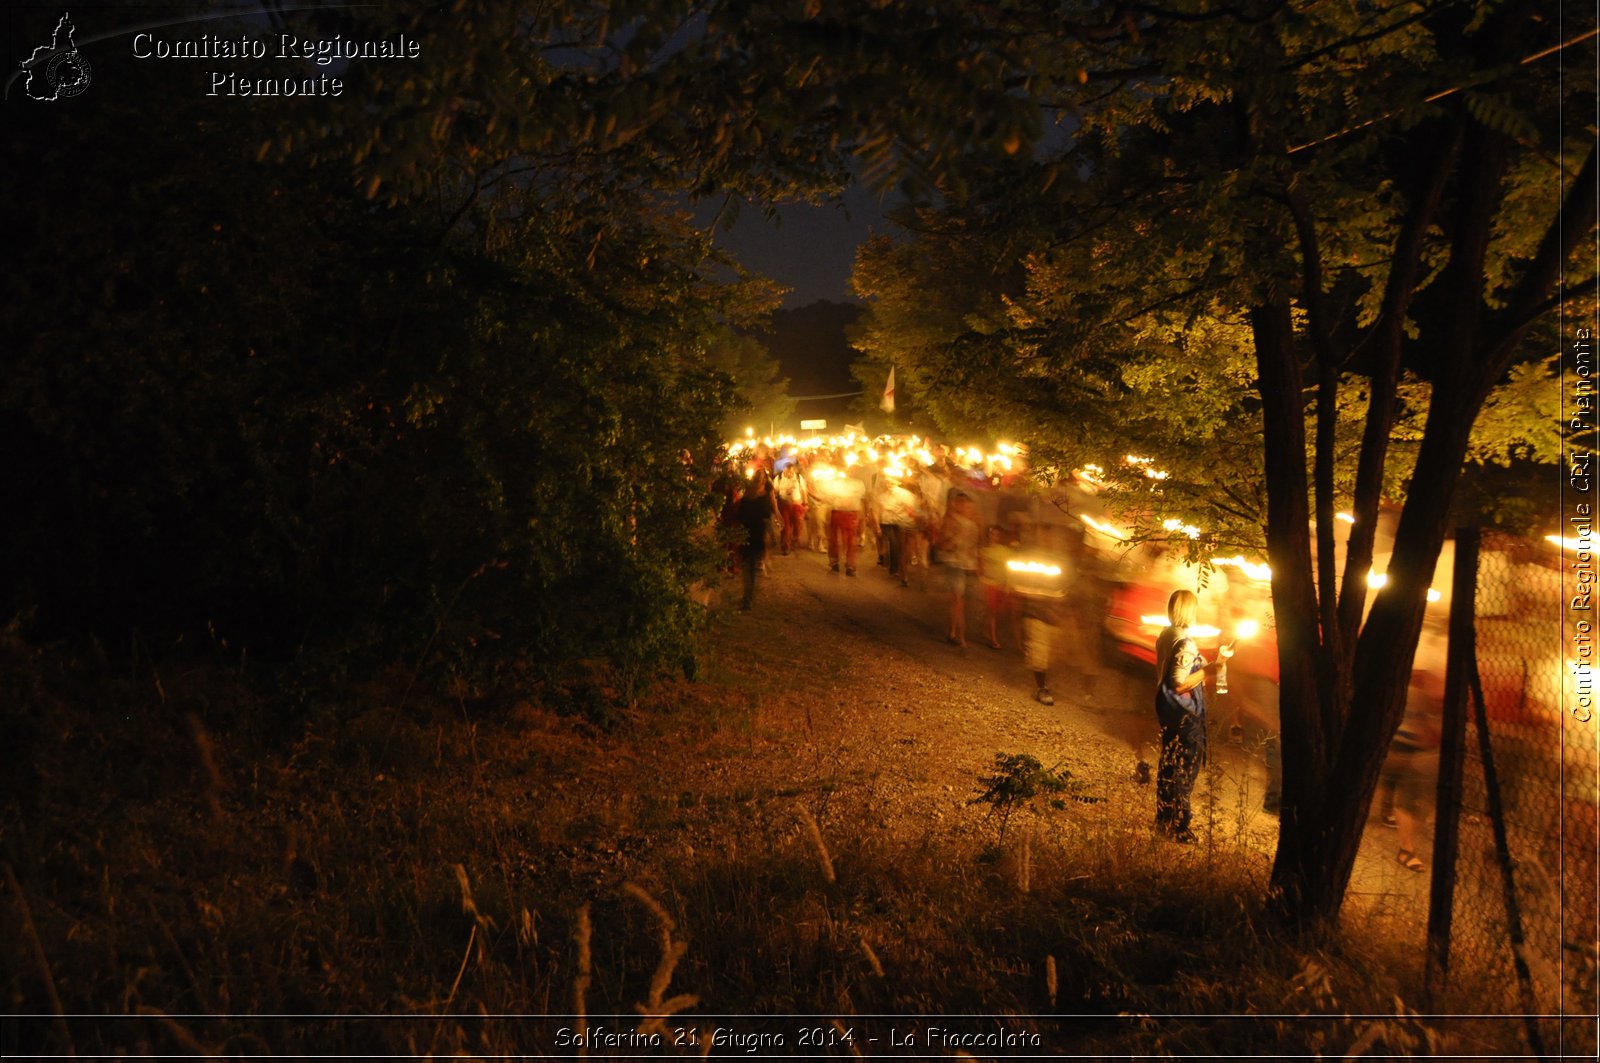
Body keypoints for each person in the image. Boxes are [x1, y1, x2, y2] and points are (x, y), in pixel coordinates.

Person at [1153, 589, 1231, 843]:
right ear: (1191, 611)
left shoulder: (1166, 635)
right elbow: (1179, 683)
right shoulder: (1184, 642)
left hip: (1168, 710)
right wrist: (1210, 670)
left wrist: (1218, 663)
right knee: (1183, 770)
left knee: (1169, 764)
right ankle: (1180, 827)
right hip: (1184, 714)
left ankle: (1163, 821)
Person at [937, 491, 982, 646]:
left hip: (967, 565)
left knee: (959, 601)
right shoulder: (951, 521)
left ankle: (954, 632)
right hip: (954, 563)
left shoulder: (972, 524)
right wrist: (952, 541)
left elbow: (975, 546)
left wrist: (977, 565)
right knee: (958, 600)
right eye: (961, 503)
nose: (965, 507)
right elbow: (941, 543)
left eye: (967, 504)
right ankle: (958, 634)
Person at [733, 469, 777, 611]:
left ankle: (748, 598)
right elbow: (765, 516)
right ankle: (748, 597)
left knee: (749, 568)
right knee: (749, 568)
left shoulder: (749, 496)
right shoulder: (750, 496)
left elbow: (740, 516)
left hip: (753, 534)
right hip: (752, 534)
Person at [827, 464, 867, 576]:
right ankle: (834, 562)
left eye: (854, 471)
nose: (851, 472)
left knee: (851, 541)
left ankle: (850, 565)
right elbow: (829, 496)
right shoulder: (836, 483)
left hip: (852, 514)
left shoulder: (859, 484)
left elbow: (863, 499)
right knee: (834, 540)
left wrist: (863, 514)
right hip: (837, 512)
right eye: (850, 470)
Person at [774, 462, 809, 556]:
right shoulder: (778, 478)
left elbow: (803, 490)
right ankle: (786, 546)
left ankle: (794, 540)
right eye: (787, 472)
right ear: (784, 470)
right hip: (784, 505)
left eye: (791, 472)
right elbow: (775, 492)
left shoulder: (798, 477)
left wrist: (805, 503)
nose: (789, 474)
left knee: (798, 524)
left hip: (797, 505)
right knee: (786, 526)